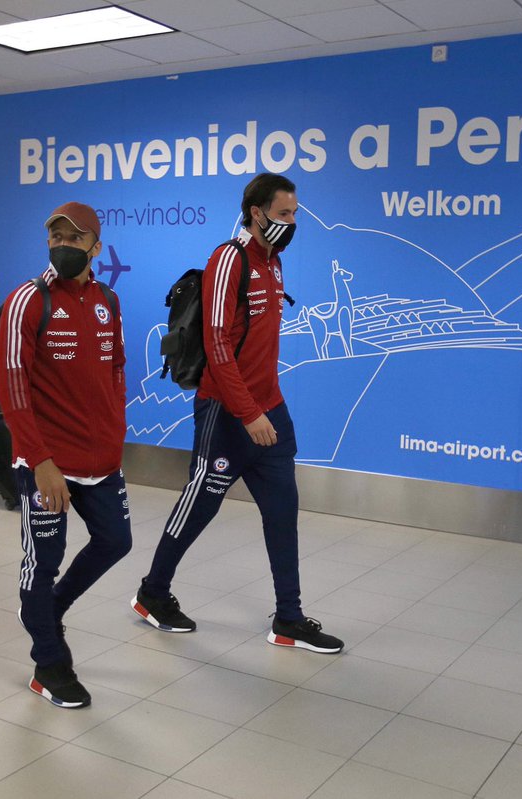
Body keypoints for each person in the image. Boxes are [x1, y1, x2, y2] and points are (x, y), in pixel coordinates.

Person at [130, 173, 344, 654]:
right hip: (226, 412)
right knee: (199, 505)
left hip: (271, 410)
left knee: (283, 511)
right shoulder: (229, 259)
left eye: (295, 213)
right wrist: (248, 414)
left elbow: (260, 345)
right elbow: (217, 345)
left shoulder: (275, 263)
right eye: (284, 213)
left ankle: (289, 619)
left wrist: (267, 408)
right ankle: (152, 593)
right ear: (256, 213)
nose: (292, 222)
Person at [0, 201, 130, 708]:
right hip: (46, 462)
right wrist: (40, 461)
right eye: (56, 237)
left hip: (101, 461)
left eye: (75, 238)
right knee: (43, 563)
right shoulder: (28, 300)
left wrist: (115, 437)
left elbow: (116, 370)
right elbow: (12, 387)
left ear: (96, 247)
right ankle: (49, 664)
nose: (63, 245)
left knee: (115, 540)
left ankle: (47, 611)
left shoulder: (108, 301)